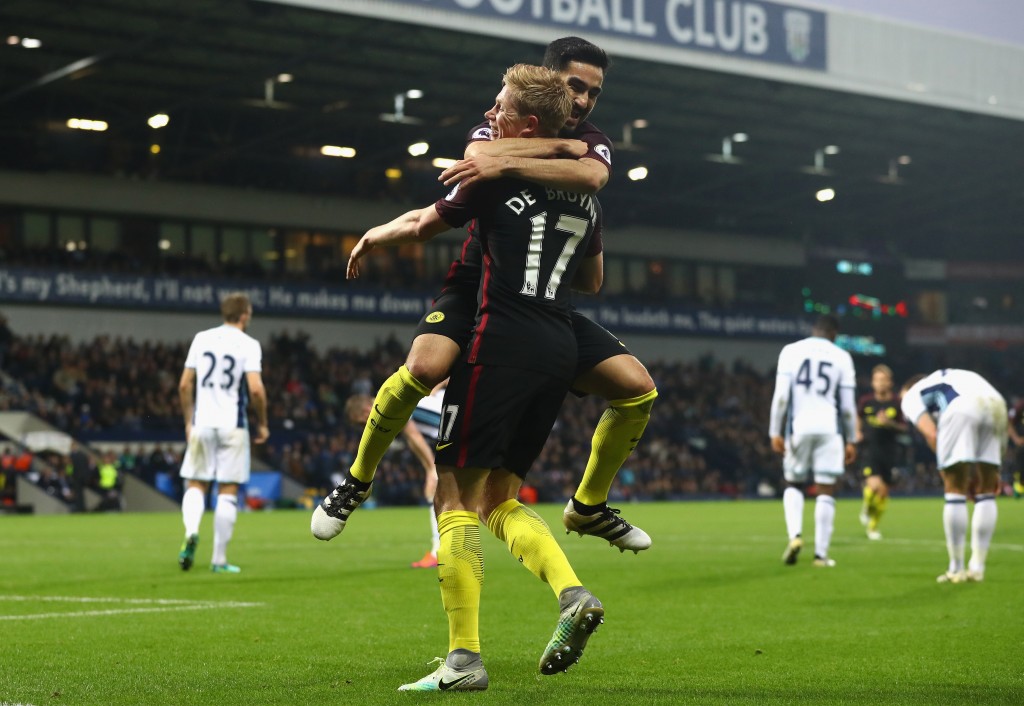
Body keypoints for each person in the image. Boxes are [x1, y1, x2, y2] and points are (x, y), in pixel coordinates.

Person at [314, 35, 655, 554]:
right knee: (424, 370)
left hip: (543, 300)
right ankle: (357, 480)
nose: (584, 102)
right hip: (477, 283)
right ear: (547, 83)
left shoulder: (590, 140)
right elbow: (477, 157)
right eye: (575, 87)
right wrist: (552, 149)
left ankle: (588, 505)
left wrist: (520, 158)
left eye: (594, 93)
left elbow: (593, 175)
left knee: (637, 389)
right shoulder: (502, 120)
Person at [327, 64, 605, 692]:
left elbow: (425, 224)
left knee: (452, 496)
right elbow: (592, 281)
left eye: (501, 105)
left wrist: (374, 234)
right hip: (559, 346)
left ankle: (463, 661)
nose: (490, 111)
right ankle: (571, 593)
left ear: (526, 124)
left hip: (499, 340)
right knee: (502, 497)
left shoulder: (488, 177)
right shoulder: (586, 191)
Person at [177, 292, 269, 574]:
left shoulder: (201, 338)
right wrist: (263, 422)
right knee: (227, 490)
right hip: (232, 425)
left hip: (203, 422)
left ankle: (191, 531)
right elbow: (255, 388)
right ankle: (218, 559)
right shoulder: (249, 344)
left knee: (196, 483)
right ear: (243, 316)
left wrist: (188, 421)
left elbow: (184, 385)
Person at [900, 369, 1008, 583]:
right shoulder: (950, 377)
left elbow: (931, 433)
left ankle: (956, 568)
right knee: (987, 491)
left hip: (961, 407)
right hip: (996, 403)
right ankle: (977, 568)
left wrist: (950, 474)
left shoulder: (910, 396)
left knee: (954, 491)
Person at [768, 314, 857, 568]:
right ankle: (821, 554)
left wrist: (775, 431)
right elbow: (848, 407)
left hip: (799, 427)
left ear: (814, 330)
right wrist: (851, 439)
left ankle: (795, 536)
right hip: (829, 429)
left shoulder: (791, 351)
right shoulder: (842, 357)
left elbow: (782, 397)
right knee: (826, 488)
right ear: (834, 334)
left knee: (794, 483)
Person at [343, 383, 445, 568]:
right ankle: (440, 551)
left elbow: (414, 436)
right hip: (464, 423)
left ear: (367, 410)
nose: (366, 425)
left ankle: (439, 552)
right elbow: (412, 437)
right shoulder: (397, 391)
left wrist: (431, 469)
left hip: (464, 432)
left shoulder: (387, 406)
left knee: (445, 495)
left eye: (362, 421)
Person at [855, 364, 906, 540]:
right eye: (877, 380)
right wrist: (858, 431)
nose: (880, 383)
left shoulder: (897, 403)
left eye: (884, 380)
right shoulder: (866, 401)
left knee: (883, 493)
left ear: (890, 383)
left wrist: (889, 423)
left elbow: (904, 428)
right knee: (873, 486)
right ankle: (866, 508)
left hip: (890, 452)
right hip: (870, 450)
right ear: (873, 382)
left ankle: (873, 527)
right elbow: (858, 417)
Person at [1007, 396, 1024, 497]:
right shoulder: (1020, 405)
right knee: (1020, 466)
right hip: (1022, 445)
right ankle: (1018, 487)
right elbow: (1009, 423)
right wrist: (1016, 438)